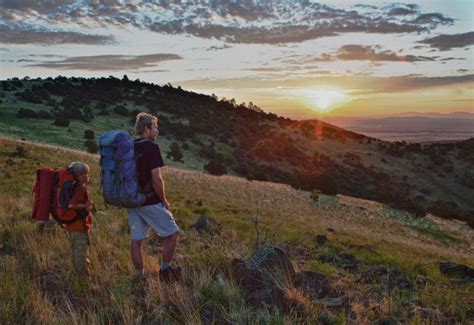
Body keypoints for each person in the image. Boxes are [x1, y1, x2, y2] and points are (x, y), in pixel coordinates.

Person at [128, 112, 181, 283]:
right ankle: (165, 270)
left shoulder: (130, 146)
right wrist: (164, 199)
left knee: (136, 240)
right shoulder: (152, 148)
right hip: (150, 200)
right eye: (155, 127)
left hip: (132, 200)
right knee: (173, 233)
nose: (157, 131)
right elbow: (156, 178)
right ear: (146, 129)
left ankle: (139, 276)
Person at [64, 162, 93, 276]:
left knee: (75, 251)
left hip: (71, 226)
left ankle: (77, 274)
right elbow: (71, 205)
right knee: (81, 253)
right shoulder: (80, 189)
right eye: (86, 174)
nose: (88, 176)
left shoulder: (72, 187)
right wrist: (86, 205)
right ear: (80, 176)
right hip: (79, 227)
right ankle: (83, 279)